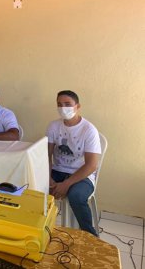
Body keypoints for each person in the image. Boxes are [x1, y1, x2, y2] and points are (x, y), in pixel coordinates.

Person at [47, 90, 101, 236]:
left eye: (67, 104)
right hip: (58, 171)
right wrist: (48, 178)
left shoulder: (89, 130)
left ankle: (90, 236)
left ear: (78, 106)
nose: (63, 108)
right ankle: (40, 230)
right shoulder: (53, 126)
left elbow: (91, 165)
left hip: (82, 175)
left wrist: (66, 184)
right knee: (34, 187)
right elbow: (46, 155)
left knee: (76, 196)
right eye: (59, 104)